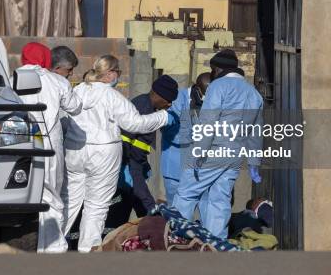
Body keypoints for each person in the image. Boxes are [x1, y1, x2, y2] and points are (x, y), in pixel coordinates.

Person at [61, 55, 175, 252]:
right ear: (110, 74)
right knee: (95, 207)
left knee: (68, 202)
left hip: (74, 151)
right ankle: (88, 252)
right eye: (118, 73)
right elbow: (135, 123)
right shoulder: (112, 96)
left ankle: (53, 247)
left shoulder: (77, 91)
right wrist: (162, 117)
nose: (118, 76)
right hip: (103, 154)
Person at [172, 49, 263, 239]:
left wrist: (198, 152)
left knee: (186, 193)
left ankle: (177, 237)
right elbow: (256, 133)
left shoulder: (218, 86)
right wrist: (254, 162)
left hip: (214, 150)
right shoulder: (254, 94)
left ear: (217, 68)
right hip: (235, 156)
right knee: (219, 200)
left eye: (212, 69)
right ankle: (215, 246)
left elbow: (208, 122)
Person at [16, 43, 82, 253]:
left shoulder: (12, 79)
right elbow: (75, 106)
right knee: (51, 194)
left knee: (24, 193)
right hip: (49, 141)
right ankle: (53, 246)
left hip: (20, 141)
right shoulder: (56, 80)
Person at [107, 75, 179, 228]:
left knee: (136, 208)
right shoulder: (145, 111)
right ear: (160, 95)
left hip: (128, 169)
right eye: (169, 100)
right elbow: (133, 157)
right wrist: (151, 207)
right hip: (126, 171)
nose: (170, 104)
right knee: (122, 213)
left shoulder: (143, 103)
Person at [161, 72, 211, 205]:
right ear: (198, 89)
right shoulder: (177, 99)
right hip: (175, 169)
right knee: (176, 214)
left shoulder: (215, 100)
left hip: (203, 171)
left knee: (207, 214)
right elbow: (169, 131)